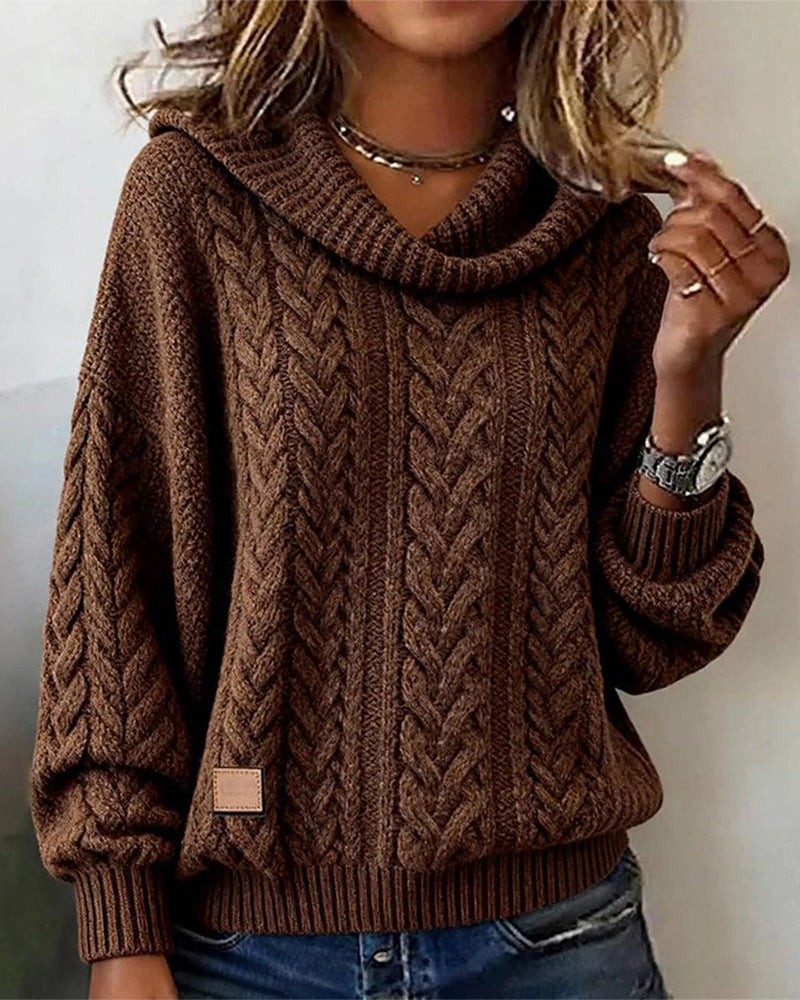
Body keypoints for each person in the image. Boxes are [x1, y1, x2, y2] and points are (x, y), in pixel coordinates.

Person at [29, 1, 788, 998]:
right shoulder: (195, 195)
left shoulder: (608, 232)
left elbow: (650, 638)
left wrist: (689, 372)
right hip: (251, 953)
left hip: (557, 944)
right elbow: (114, 577)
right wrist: (119, 930)